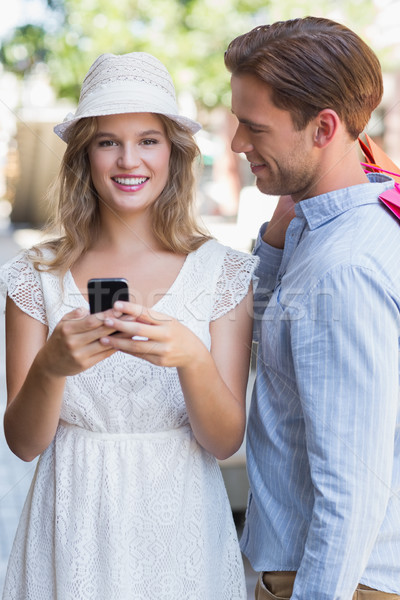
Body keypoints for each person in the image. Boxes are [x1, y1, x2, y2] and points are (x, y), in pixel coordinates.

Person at [0, 52, 258, 599]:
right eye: (106, 141)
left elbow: (223, 440)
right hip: (68, 528)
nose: (127, 160)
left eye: (148, 140)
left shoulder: (223, 272)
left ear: (174, 154)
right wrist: (51, 367)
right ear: (83, 157)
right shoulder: (35, 276)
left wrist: (191, 357)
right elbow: (24, 444)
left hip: (182, 529)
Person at [224, 16, 400, 600]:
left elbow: (352, 487)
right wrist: (275, 244)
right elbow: (276, 335)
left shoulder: (344, 268)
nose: (237, 144)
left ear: (323, 127)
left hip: (331, 582)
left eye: (255, 128)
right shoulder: (332, 224)